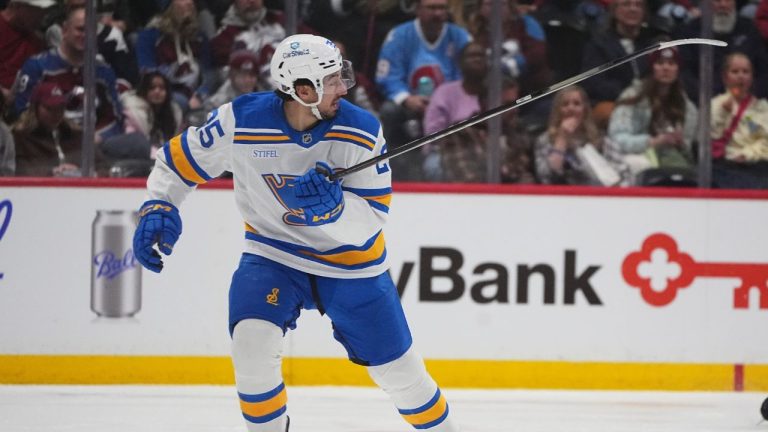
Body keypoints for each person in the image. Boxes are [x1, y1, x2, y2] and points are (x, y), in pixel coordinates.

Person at [131, 34, 461, 432]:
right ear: (303, 89)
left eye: (342, 77)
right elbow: (176, 163)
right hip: (274, 255)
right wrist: (159, 204)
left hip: (351, 266)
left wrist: (335, 211)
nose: (344, 87)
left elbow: (374, 215)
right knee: (251, 346)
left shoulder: (361, 130)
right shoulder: (242, 120)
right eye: (333, 80)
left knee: (403, 378)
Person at [375, 0, 471, 181]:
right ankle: (391, 170)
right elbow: (387, 76)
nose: (437, 13)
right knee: (390, 111)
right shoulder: (398, 36)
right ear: (418, 9)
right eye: (432, 8)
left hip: (449, 107)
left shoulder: (460, 37)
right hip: (411, 103)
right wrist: (406, 98)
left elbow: (467, 77)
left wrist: (443, 101)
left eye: (442, 8)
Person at [11, 5, 124, 142]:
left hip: (94, 144)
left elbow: (116, 118)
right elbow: (20, 114)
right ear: (65, 30)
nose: (86, 35)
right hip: (48, 144)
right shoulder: (37, 66)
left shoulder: (104, 71)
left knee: (137, 144)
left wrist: (98, 137)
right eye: (80, 29)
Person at [607, 47, 698, 185]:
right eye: (660, 63)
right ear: (652, 68)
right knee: (639, 165)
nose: (666, 68)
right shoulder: (632, 97)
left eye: (671, 63)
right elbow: (617, 138)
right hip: (637, 157)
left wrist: (680, 142)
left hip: (672, 160)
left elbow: (690, 147)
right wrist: (652, 142)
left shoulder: (687, 107)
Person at [580, 0, 661, 129]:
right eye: (626, 4)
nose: (633, 9)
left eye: (638, 5)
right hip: (612, 103)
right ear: (615, 11)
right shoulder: (599, 44)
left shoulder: (651, 44)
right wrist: (629, 95)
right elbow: (594, 83)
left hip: (646, 103)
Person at [674, 0, 768, 99]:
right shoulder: (691, 31)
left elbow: (763, 70)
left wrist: (749, 98)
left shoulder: (749, 29)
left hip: (748, 103)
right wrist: (707, 98)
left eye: (727, 0)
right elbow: (686, 73)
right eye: (717, 1)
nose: (723, 5)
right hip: (704, 103)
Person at [135, 0, 214, 113]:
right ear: (169, 6)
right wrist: (186, 95)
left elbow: (208, 73)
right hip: (166, 94)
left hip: (197, 95)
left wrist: (200, 94)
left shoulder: (200, 37)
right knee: (180, 102)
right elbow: (148, 74)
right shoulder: (150, 36)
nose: (189, 3)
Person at [13, 81, 106, 176]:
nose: (56, 113)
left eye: (60, 108)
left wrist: (84, 172)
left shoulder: (77, 135)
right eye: (49, 108)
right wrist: (52, 172)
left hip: (80, 188)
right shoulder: (21, 139)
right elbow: (19, 170)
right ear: (35, 108)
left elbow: (104, 167)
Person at [534, 85, 616, 185]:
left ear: (584, 110)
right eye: (565, 104)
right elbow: (547, 177)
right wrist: (562, 138)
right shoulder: (544, 140)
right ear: (557, 110)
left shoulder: (600, 139)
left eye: (576, 104)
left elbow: (621, 172)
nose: (571, 108)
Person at [710, 52, 768, 188]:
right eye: (735, 71)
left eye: (745, 72)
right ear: (725, 77)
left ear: (751, 77)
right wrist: (723, 113)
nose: (740, 76)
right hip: (723, 169)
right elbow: (712, 139)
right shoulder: (715, 105)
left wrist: (747, 154)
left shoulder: (762, 108)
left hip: (757, 168)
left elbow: (765, 141)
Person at [122, 71, 183, 158]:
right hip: (145, 160)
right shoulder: (133, 114)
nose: (157, 91)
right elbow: (135, 143)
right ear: (144, 91)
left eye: (161, 88)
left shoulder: (175, 113)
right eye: (152, 88)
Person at [0, 0, 54, 99]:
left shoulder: (37, 43)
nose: (41, 16)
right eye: (35, 10)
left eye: (43, 10)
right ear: (16, 6)